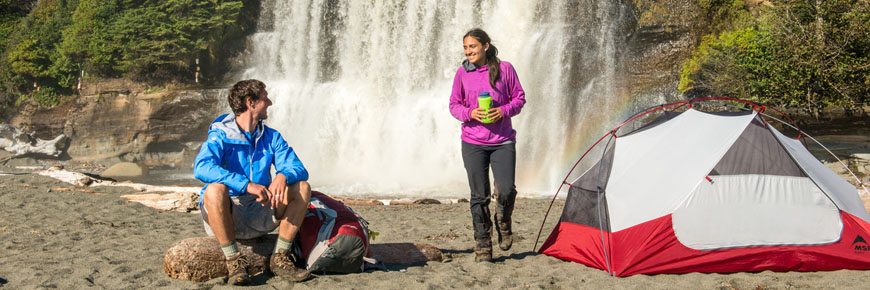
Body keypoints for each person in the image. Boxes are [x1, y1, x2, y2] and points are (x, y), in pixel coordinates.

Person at [193, 79, 311, 285]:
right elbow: (201, 167)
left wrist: (283, 176)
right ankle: (233, 261)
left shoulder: (272, 137)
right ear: (251, 102)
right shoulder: (221, 134)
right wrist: (245, 184)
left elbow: (299, 168)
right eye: (266, 98)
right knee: (214, 190)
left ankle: (280, 257)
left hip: (261, 209)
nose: (270, 103)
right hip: (227, 213)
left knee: (302, 187)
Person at [448, 28, 527, 262]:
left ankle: (503, 220)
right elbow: (454, 105)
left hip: (502, 141)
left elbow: (519, 98)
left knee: (506, 190)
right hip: (473, 142)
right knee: (479, 196)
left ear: (485, 46)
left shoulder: (506, 69)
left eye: (472, 46)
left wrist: (501, 111)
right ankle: (482, 242)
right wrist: (471, 113)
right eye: (465, 47)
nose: (468, 51)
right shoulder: (462, 73)